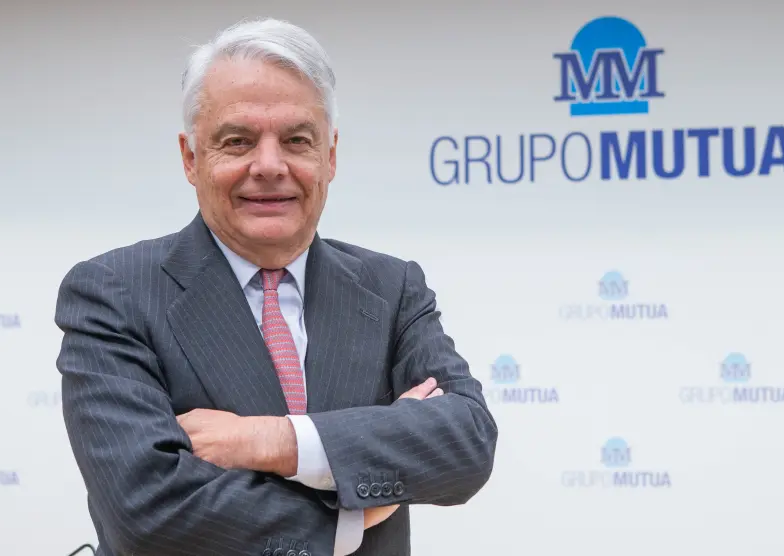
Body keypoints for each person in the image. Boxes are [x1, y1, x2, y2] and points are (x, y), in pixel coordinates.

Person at [53, 17, 498, 556]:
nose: (269, 166)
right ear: (191, 158)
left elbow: (466, 441)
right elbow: (147, 509)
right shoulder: (113, 294)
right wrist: (350, 518)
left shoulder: (392, 288)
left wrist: (271, 440)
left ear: (329, 157)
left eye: (296, 140)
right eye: (237, 141)